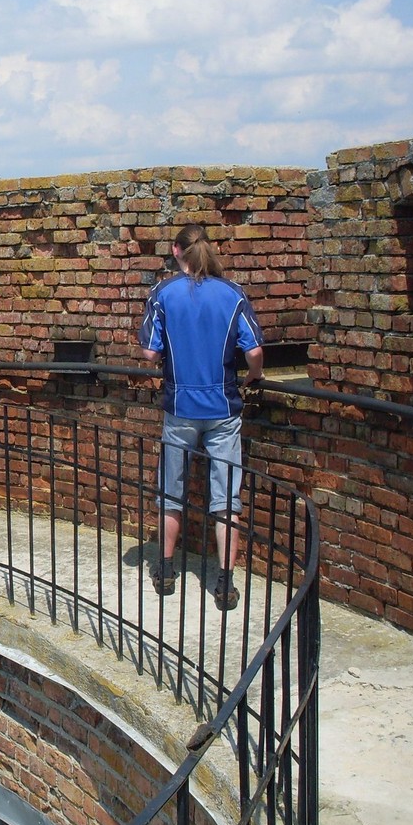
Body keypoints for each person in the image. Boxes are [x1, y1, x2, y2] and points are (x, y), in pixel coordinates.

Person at [138, 224, 264, 611]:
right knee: (226, 497)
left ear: (176, 251)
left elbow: (150, 354)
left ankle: (165, 570)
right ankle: (224, 582)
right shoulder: (233, 293)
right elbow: (254, 352)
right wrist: (253, 377)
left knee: (170, 491)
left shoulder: (163, 293)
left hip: (180, 405)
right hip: (223, 406)